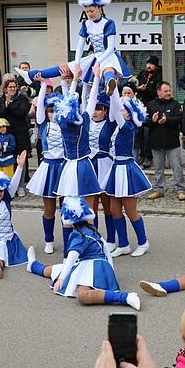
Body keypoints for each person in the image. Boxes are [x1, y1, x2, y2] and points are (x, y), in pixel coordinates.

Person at [25, 197, 141, 310]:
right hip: (99, 266)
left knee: (83, 296)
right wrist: (110, 271)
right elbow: (106, 249)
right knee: (53, 270)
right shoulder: (92, 229)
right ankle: (32, 265)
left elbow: (72, 257)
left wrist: (61, 279)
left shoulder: (78, 235)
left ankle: (125, 297)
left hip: (91, 267)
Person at [16, 0, 130, 96]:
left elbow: (110, 48)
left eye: (92, 11)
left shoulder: (108, 23)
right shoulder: (86, 24)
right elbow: (80, 46)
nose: (89, 14)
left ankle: (109, 85)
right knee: (64, 68)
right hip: (95, 56)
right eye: (87, 11)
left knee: (108, 69)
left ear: (99, 9)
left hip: (108, 56)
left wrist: (98, 63)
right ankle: (30, 75)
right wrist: (77, 64)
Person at [53, 75, 106, 254]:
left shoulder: (61, 122)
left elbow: (69, 98)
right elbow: (89, 99)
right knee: (89, 211)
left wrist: (69, 82)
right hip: (83, 167)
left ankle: (69, 250)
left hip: (68, 168)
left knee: (67, 212)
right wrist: (96, 78)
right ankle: (93, 246)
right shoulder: (84, 120)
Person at [106, 88, 152, 257]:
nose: (121, 110)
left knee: (131, 211)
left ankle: (143, 242)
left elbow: (116, 110)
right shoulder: (118, 127)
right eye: (122, 108)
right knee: (114, 210)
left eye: (125, 109)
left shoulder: (128, 128)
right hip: (115, 168)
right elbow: (114, 111)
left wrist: (113, 92)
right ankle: (123, 244)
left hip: (126, 169)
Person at [26, 82, 65, 253]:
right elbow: (40, 104)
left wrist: (64, 83)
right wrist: (43, 85)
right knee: (49, 209)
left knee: (66, 209)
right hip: (49, 168)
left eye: (55, 110)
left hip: (64, 168)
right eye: (50, 111)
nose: (53, 113)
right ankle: (49, 240)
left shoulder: (66, 125)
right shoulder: (43, 124)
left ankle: (69, 240)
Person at [86, 77, 118, 254]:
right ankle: (95, 238)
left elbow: (115, 106)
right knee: (91, 207)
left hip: (105, 165)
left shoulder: (111, 122)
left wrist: (112, 88)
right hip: (90, 166)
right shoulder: (86, 121)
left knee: (108, 206)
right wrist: (92, 82)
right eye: (95, 108)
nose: (96, 112)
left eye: (99, 109)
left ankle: (112, 239)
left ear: (105, 111)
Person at [146, 82, 185, 201]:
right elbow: (145, 121)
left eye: (169, 90)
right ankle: (159, 189)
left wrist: (167, 120)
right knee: (158, 168)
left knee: (177, 167)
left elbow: (179, 119)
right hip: (156, 143)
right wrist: (152, 121)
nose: (168, 93)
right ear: (159, 92)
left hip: (172, 143)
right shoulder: (151, 104)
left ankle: (180, 189)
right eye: (166, 91)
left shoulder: (175, 104)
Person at [0, 77, 31, 181]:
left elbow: (22, 113)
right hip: (7, 134)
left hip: (20, 132)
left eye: (14, 87)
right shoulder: (2, 99)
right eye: (10, 87)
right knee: (9, 158)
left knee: (21, 157)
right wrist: (5, 105)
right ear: (6, 89)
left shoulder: (22, 99)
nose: (12, 89)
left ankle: (21, 182)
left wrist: (10, 104)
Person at [135, 55, 161, 167]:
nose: (149, 66)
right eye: (148, 63)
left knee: (147, 134)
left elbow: (157, 92)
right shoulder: (142, 74)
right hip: (140, 105)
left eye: (152, 64)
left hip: (151, 106)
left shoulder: (159, 76)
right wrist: (137, 88)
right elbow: (136, 85)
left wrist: (147, 90)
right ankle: (141, 155)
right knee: (139, 132)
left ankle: (148, 156)